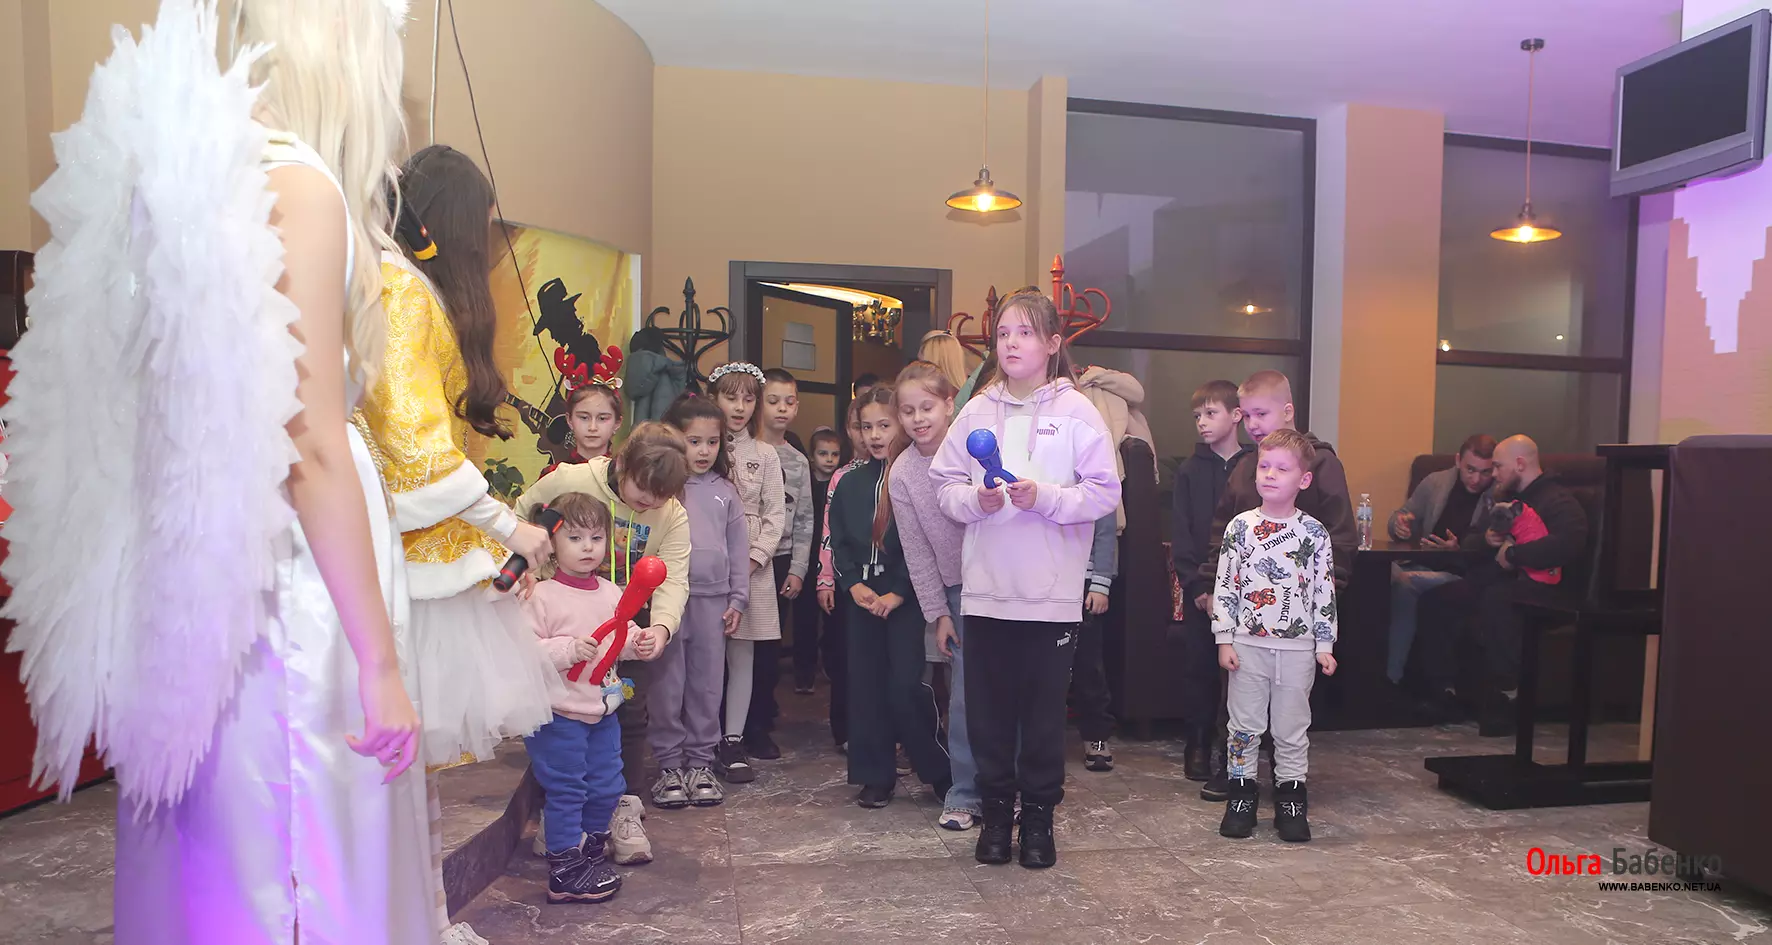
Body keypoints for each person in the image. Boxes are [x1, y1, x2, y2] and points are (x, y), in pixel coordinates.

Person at [5, 1, 437, 941]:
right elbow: (309, 443)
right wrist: (379, 661)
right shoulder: (299, 187)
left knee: (215, 848)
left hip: (197, 576)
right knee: (308, 842)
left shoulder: (187, 177)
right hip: (289, 582)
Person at [361, 145, 562, 772]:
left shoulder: (402, 284)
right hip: (405, 551)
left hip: (415, 537)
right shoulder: (402, 289)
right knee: (393, 763)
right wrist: (509, 529)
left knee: (404, 768)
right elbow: (412, 439)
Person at [931, 287, 1121, 870]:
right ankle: (995, 815)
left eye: (1025, 333)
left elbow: (1104, 493)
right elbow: (945, 486)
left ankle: (1038, 820)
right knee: (987, 715)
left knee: (1040, 718)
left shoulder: (1077, 412)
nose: (1010, 343)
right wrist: (977, 501)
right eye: (1003, 333)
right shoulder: (976, 411)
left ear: (1053, 344)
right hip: (987, 593)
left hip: (1050, 597)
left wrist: (1048, 498)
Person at [515, 422, 693, 857]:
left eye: (661, 495)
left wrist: (660, 628)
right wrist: (528, 572)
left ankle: (621, 810)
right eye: (643, 489)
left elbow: (673, 577)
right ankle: (561, 819)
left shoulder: (672, 514)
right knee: (560, 727)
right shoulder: (572, 480)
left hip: (625, 627)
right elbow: (519, 520)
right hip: (561, 624)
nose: (650, 502)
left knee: (627, 716)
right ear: (623, 463)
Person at [1196, 370, 1356, 804]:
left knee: (1291, 709)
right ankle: (1234, 772)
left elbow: (1339, 536)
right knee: (1237, 696)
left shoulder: (1322, 464)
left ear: (1287, 411)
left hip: (1297, 617)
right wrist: (1209, 584)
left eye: (1261, 414)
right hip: (1245, 615)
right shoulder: (1246, 466)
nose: (1252, 424)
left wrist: (1328, 596)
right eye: (1246, 415)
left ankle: (1289, 781)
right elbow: (1222, 533)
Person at [522, 493, 665, 904]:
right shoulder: (541, 595)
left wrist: (640, 641)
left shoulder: (609, 592)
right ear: (551, 544)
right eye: (575, 538)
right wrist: (567, 650)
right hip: (558, 714)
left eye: (596, 537)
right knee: (567, 790)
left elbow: (621, 635)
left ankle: (588, 852)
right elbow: (523, 651)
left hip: (602, 711)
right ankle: (564, 870)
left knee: (607, 786)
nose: (588, 547)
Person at [1211, 429, 1338, 843]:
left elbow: (1324, 592)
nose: (1270, 474)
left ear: (1304, 479)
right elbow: (1226, 585)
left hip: (1297, 650)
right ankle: (1241, 797)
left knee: (1291, 728)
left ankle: (1291, 799)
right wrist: (1224, 638)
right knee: (1243, 726)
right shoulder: (1240, 527)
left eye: (1282, 469)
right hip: (1247, 646)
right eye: (1264, 466)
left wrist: (1324, 644)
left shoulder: (1314, 534)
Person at [830, 385, 952, 808]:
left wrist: (898, 592)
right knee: (865, 687)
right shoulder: (849, 483)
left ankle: (938, 770)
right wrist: (853, 585)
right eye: (867, 427)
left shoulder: (911, 476)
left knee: (906, 686)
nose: (876, 435)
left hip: (906, 600)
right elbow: (837, 541)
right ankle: (874, 776)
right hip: (862, 600)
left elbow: (921, 543)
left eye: (884, 425)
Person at [1416, 435, 1587, 734]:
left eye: (1498, 466)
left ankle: (1506, 700)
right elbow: (1471, 539)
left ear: (1519, 464)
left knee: (1497, 601)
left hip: (1545, 588)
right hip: (1499, 580)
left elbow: (1569, 543)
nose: (1493, 474)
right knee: (1438, 599)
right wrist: (1485, 540)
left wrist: (1515, 555)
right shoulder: (1502, 500)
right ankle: (1443, 694)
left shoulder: (1558, 501)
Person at [886, 362, 981, 830]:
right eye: (908, 411)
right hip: (957, 592)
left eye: (927, 407)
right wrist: (938, 612)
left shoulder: (971, 450)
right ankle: (965, 792)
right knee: (962, 696)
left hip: (1001, 584)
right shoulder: (903, 472)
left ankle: (1011, 789)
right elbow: (918, 551)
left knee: (1007, 690)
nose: (918, 419)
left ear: (949, 404)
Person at [649, 395, 747, 809]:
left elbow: (738, 549)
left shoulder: (726, 492)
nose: (704, 451)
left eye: (712, 442)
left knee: (707, 686)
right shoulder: (659, 491)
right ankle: (669, 766)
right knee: (667, 686)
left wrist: (738, 598)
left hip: (714, 603)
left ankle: (701, 764)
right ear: (674, 440)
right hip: (668, 605)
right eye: (694, 442)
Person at [706, 362, 785, 781]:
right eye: (730, 397)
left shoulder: (765, 454)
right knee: (704, 655)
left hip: (753, 566)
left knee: (743, 655)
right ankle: (702, 737)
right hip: (706, 562)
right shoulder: (702, 447)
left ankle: (733, 738)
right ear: (714, 399)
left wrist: (753, 559)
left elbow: (776, 516)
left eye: (748, 398)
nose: (739, 407)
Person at [1170, 380, 1250, 784]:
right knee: (1199, 668)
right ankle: (1197, 744)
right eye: (1197, 416)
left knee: (1243, 672)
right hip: (1203, 588)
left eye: (1211, 413)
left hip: (1249, 590)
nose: (1202, 422)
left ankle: (1233, 750)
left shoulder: (1254, 466)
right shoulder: (1189, 470)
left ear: (1236, 416)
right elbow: (1181, 534)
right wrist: (1198, 587)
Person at [1384, 434, 1496, 685]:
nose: (1476, 479)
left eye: (1485, 472)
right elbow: (1402, 515)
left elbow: (1487, 549)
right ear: (1458, 461)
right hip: (1418, 562)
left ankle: (1392, 679)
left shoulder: (1496, 495)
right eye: (1470, 470)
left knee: (1405, 583)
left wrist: (1458, 549)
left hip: (1458, 573)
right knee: (1374, 575)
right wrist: (1399, 525)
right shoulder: (1436, 482)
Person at [755, 369, 814, 759]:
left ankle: (760, 722)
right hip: (744, 562)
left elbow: (806, 518)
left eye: (788, 402)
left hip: (780, 563)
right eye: (772, 400)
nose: (781, 408)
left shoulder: (797, 461)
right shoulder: (739, 452)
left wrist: (798, 568)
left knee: (768, 650)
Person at [815, 400, 869, 752]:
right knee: (846, 657)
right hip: (845, 579)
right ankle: (846, 730)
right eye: (858, 426)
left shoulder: (896, 471)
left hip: (883, 581)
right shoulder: (841, 476)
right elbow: (829, 529)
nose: (866, 435)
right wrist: (826, 578)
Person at [793, 427, 844, 694]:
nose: (829, 459)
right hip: (806, 558)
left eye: (834, 454)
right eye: (823, 454)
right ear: (812, 457)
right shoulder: (806, 484)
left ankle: (832, 666)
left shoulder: (843, 483)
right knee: (805, 620)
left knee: (833, 619)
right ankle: (804, 672)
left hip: (832, 561)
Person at [1073, 511, 1119, 772]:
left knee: (1088, 665)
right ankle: (1041, 740)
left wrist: (1101, 583)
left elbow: (1105, 531)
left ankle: (1096, 735)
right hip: (1041, 579)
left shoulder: (1098, 482)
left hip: (1086, 580)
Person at [543, 382, 623, 477]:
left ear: (617, 423)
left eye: (602, 418)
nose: (592, 427)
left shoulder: (624, 475)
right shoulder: (552, 475)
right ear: (569, 420)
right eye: (584, 418)